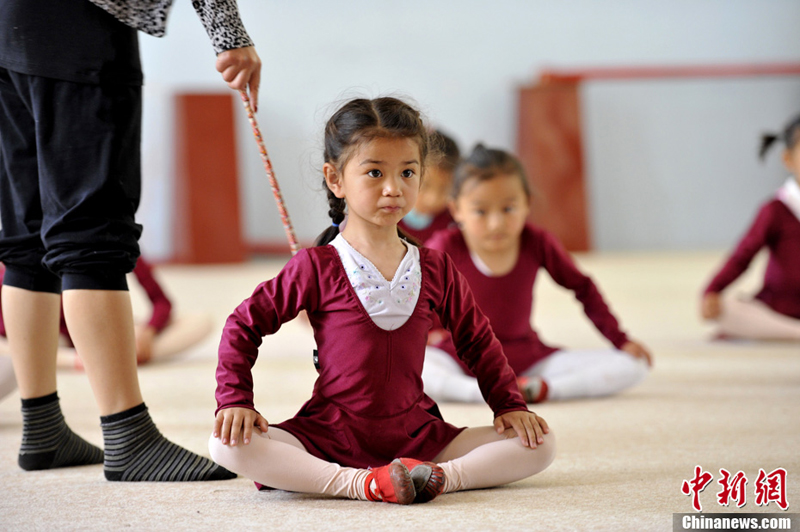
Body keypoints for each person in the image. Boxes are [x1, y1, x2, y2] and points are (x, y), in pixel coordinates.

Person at [209, 97, 555, 505]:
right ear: (335, 179)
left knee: (539, 442)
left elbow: (477, 341)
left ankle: (438, 477)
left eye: (408, 172)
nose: (393, 188)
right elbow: (242, 325)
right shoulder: (315, 265)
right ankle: (363, 484)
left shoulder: (436, 266)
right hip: (330, 433)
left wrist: (508, 404)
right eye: (374, 172)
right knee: (228, 445)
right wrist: (234, 400)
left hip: (417, 434)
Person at [0, 0, 259, 481]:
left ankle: (41, 427)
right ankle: (128, 436)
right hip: (77, 27)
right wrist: (230, 37)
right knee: (91, 231)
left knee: (27, 234)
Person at [423, 145, 652, 404]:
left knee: (633, 365)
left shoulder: (537, 242)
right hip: (460, 357)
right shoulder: (445, 246)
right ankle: (484, 392)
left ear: (527, 203)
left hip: (526, 358)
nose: (496, 223)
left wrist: (620, 340)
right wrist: (423, 334)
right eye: (481, 211)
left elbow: (582, 287)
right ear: (456, 210)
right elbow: (411, 297)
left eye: (508, 209)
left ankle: (542, 389)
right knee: (417, 368)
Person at [0, 259, 213, 368]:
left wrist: (148, 331)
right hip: (53, 338)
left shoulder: (120, 238)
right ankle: (98, 360)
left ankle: (116, 357)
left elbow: (162, 302)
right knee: (13, 346)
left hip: (107, 331)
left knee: (200, 321)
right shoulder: (26, 249)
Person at [701, 115, 800, 341]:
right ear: (788, 159)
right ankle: (794, 333)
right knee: (727, 309)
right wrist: (712, 290)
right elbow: (742, 255)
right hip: (778, 310)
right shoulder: (776, 209)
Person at [398, 130, 459, 243]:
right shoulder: (387, 217)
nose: (433, 199)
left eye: (445, 188)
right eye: (425, 185)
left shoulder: (454, 221)